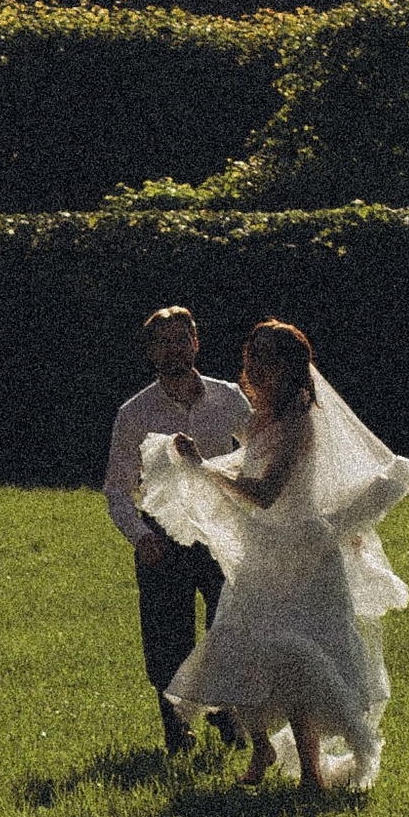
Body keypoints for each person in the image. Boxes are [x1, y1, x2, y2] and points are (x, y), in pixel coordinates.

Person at [136, 317, 409, 795]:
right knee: (240, 644)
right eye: (253, 357)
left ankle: (311, 770)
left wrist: (203, 472)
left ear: (290, 368)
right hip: (262, 551)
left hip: (300, 554)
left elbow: (267, 490)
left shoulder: (300, 421)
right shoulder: (260, 418)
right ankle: (261, 747)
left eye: (267, 359)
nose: (255, 366)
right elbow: (252, 459)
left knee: (295, 657)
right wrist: (201, 463)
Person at [103, 304, 247, 751]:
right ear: (150, 352)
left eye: (181, 339)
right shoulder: (135, 413)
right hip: (162, 539)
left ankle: (228, 714)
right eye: (163, 342)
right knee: (167, 638)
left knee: (229, 628)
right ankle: (176, 727)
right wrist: (141, 536)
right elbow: (116, 488)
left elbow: (260, 456)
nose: (173, 349)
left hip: (223, 533)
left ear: (196, 343)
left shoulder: (229, 399)